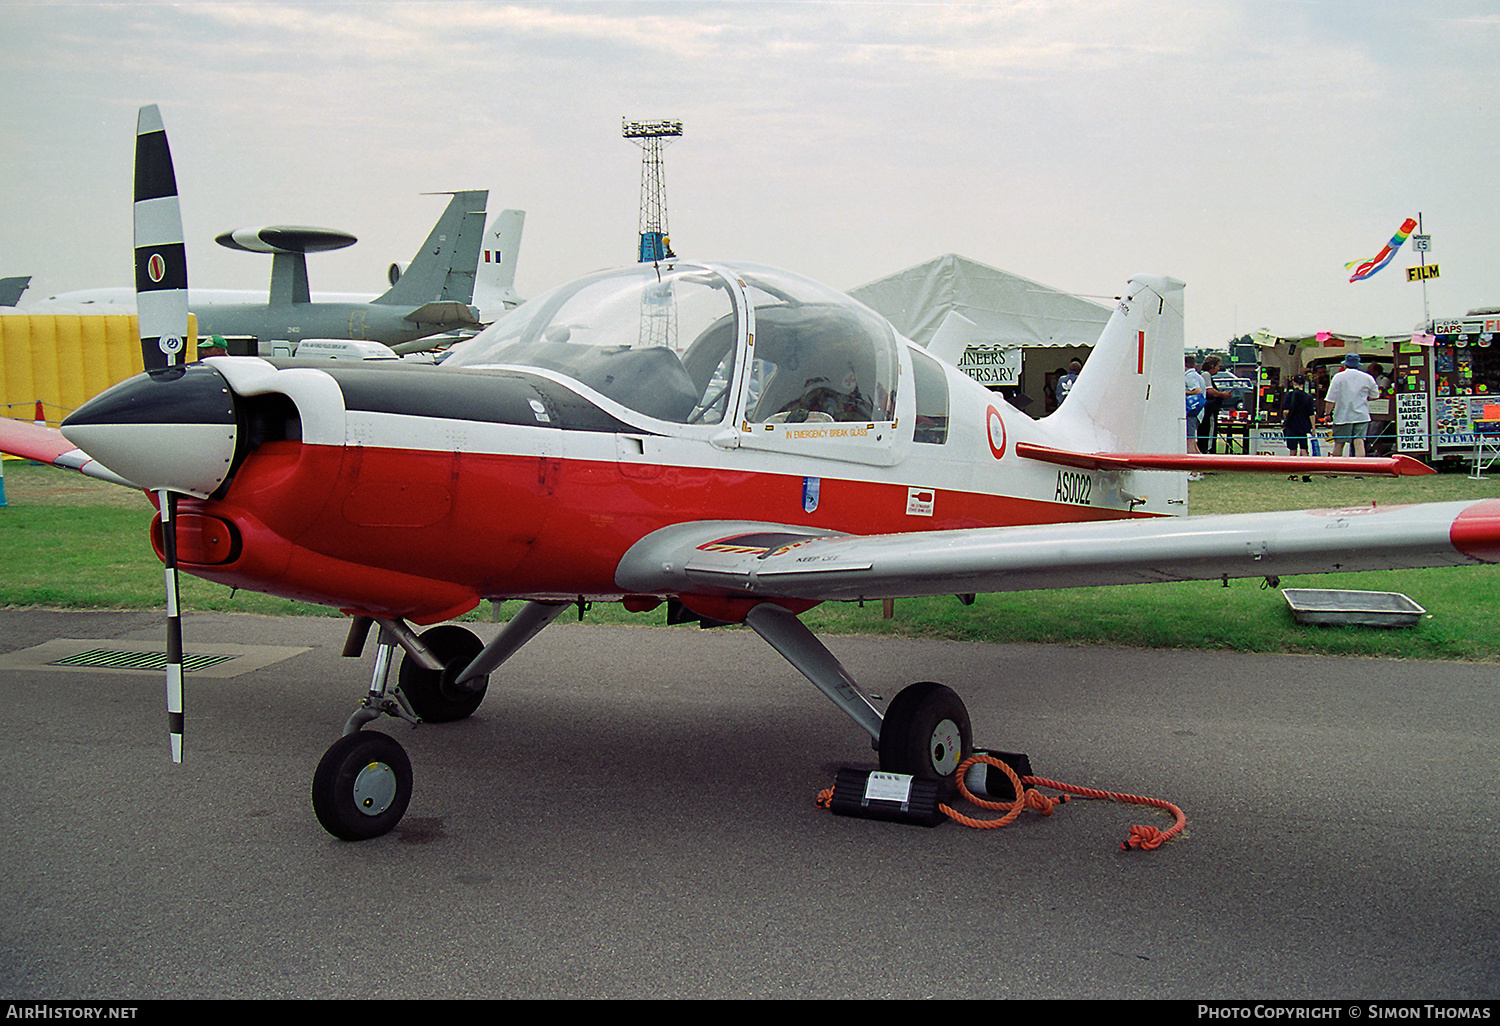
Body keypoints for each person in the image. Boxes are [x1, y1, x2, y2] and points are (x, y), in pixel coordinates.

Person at [1324, 353, 1380, 457]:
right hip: (1361, 416)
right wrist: (1364, 398)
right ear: (1358, 365)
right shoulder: (1367, 377)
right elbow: (1375, 396)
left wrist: (1327, 414)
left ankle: (1336, 469)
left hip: (1342, 416)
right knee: (1359, 442)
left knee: (1339, 443)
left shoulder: (1338, 377)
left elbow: (1330, 399)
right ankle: (1359, 468)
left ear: (1345, 365)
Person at [1280, 374, 1316, 480]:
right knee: (1304, 449)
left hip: (1292, 425)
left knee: (1293, 450)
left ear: (1293, 383)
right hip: (1304, 426)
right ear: (1304, 384)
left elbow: (1286, 411)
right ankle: (1306, 472)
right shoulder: (1308, 397)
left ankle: (1293, 473)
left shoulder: (1289, 395)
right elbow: (1311, 414)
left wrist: (1286, 418)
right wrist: (1313, 428)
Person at [1198, 355, 1230, 454]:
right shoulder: (1206, 375)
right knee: (1210, 431)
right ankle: (1208, 451)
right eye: (1218, 366)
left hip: (1206, 409)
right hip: (1209, 410)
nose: (1219, 369)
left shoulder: (1203, 375)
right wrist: (1222, 395)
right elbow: (1210, 390)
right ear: (1212, 366)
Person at [1185, 355, 1205, 475]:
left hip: (1192, 413)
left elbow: (1197, 390)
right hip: (1197, 413)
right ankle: (1200, 467)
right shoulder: (1197, 375)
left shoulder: (1190, 376)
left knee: (1190, 441)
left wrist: (1182, 391)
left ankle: (1193, 471)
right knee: (1193, 442)